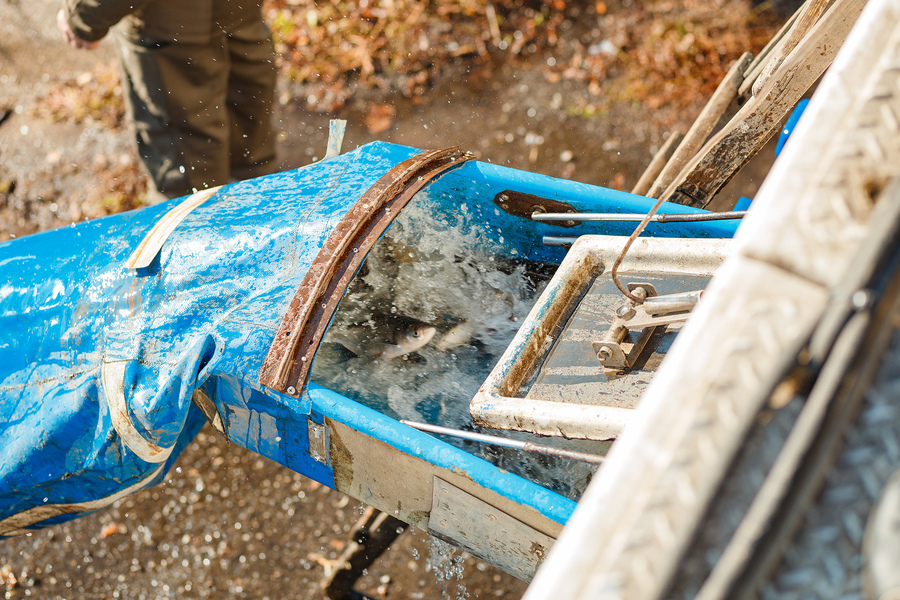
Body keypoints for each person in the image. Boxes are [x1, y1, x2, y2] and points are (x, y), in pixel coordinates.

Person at [58, 0, 277, 202]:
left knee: (187, 186)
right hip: (241, 12)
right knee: (250, 154)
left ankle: (194, 229)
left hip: (170, 31)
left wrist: (83, 16)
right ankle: (261, 219)